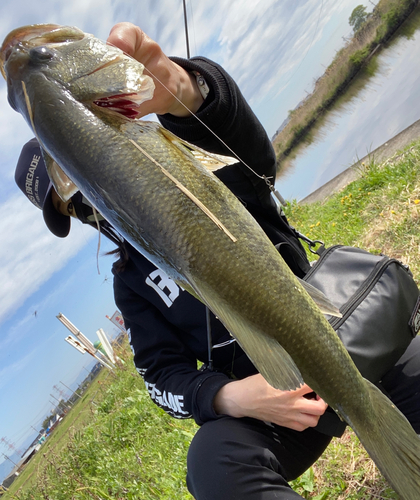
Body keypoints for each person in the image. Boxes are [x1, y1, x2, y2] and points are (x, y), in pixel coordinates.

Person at [15, 22, 420, 499]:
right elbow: (160, 374)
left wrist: (184, 88)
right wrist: (230, 396)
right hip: (279, 406)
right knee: (212, 464)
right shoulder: (130, 285)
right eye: (73, 203)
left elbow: (246, 150)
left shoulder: (183, 160)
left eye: (81, 185)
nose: (88, 205)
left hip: (350, 338)